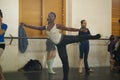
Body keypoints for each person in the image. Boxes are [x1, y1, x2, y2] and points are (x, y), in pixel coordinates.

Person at [21, 12, 101, 80]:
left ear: (54, 18)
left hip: (64, 39)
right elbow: (36, 27)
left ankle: (93, 36)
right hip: (59, 45)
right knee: (65, 63)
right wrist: (26, 25)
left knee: (78, 38)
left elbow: (68, 29)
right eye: (49, 15)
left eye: (51, 16)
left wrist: (79, 30)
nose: (49, 16)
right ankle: (65, 78)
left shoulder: (57, 26)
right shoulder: (45, 27)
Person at [0, 9, 8, 80]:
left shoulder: (4, 25)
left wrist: (0, 23)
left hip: (1, 44)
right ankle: (1, 77)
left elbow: (1, 33)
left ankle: (2, 77)